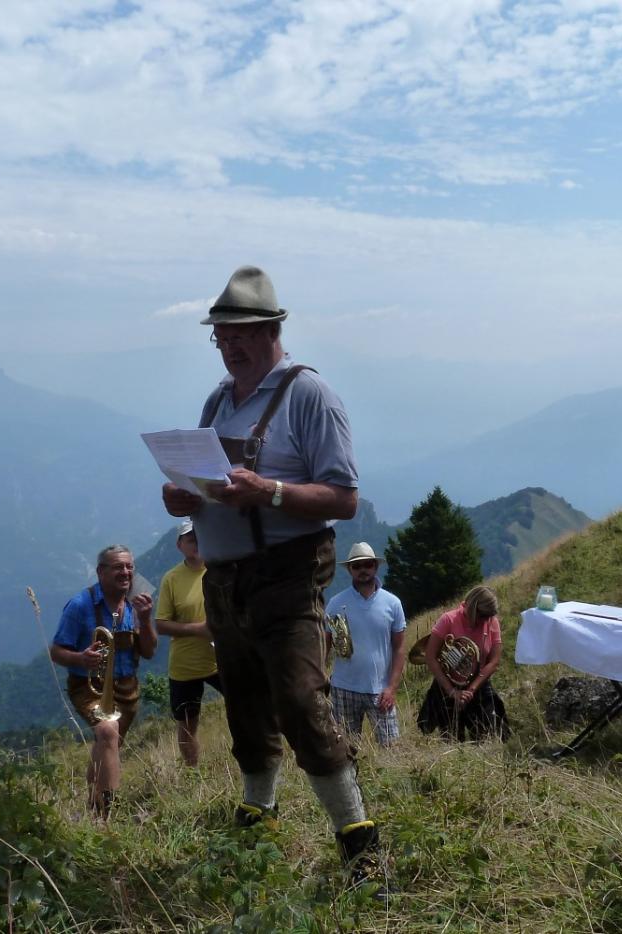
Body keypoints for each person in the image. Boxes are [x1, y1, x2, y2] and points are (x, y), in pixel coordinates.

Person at [160, 265, 383, 890]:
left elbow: (343, 499)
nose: (229, 346)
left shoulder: (310, 396)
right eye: (221, 336)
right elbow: (210, 484)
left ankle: (357, 838)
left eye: (240, 334)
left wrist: (273, 492)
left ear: (272, 330)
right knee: (245, 701)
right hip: (225, 578)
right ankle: (258, 811)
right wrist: (187, 499)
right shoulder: (218, 400)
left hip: (286, 573)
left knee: (298, 698)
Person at [49, 545, 157, 818]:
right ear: (100, 572)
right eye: (118, 567)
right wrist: (81, 658)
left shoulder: (136, 603)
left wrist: (145, 621)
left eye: (129, 567)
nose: (126, 572)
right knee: (108, 732)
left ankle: (93, 809)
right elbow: (56, 652)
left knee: (107, 745)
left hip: (127, 687)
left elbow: (149, 651)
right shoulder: (80, 605)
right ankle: (110, 814)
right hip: (88, 687)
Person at [325, 542, 407, 748]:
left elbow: (399, 649)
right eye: (357, 565)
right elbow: (325, 645)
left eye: (367, 564)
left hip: (380, 690)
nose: (363, 570)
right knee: (344, 751)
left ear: (375, 567)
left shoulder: (393, 603)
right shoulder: (335, 602)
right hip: (343, 688)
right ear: (349, 569)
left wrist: (391, 687)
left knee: (391, 749)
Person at [155, 520, 221, 766]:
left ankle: (251, 759)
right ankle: (192, 772)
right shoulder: (171, 579)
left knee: (245, 708)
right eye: (190, 539)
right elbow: (161, 624)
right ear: (179, 545)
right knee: (187, 721)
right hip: (185, 665)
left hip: (223, 659)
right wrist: (201, 630)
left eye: (200, 536)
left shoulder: (221, 569)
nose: (196, 542)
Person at [417, 585, 510, 741]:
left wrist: (471, 690)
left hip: (479, 684)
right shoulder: (448, 619)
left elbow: (494, 662)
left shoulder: (491, 621)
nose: (487, 620)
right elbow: (431, 657)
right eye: (484, 616)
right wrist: (452, 692)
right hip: (447, 685)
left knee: (492, 735)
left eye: (490, 616)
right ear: (474, 609)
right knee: (451, 739)